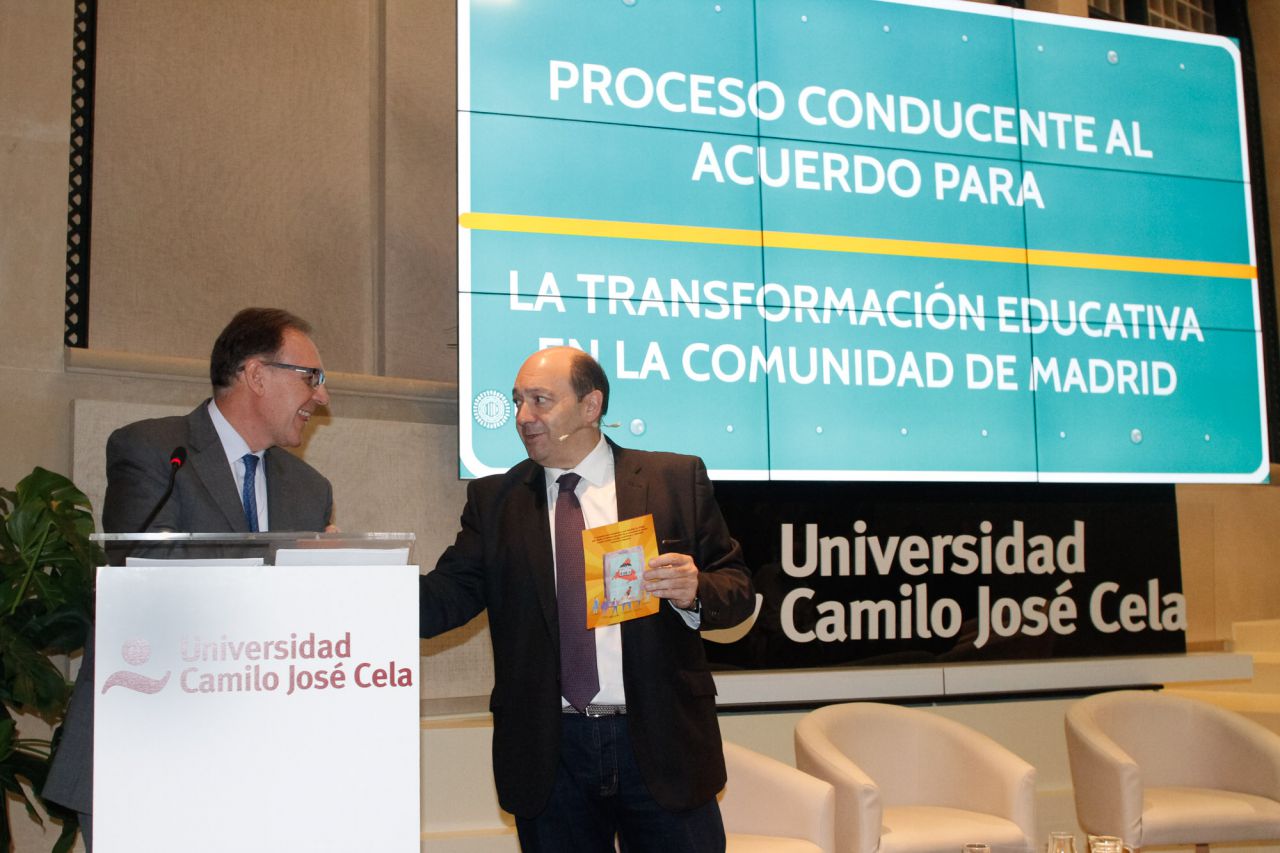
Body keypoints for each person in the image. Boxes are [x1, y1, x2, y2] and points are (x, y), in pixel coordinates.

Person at [420, 346, 755, 852]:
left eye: (540, 400)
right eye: (517, 402)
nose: (522, 417)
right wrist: (356, 586)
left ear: (591, 405)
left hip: (662, 742)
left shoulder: (672, 480)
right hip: (550, 754)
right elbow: (446, 598)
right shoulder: (496, 502)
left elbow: (737, 588)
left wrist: (695, 591)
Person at [43, 307, 335, 850]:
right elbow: (142, 577)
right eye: (310, 377)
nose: (321, 396)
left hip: (262, 762)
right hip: (150, 742)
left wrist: (336, 575)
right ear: (256, 374)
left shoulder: (309, 489)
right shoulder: (153, 451)